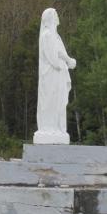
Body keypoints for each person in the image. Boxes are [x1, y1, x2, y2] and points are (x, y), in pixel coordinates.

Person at [33, 8, 76, 144]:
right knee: (50, 100)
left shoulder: (56, 36)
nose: (58, 17)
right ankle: (48, 128)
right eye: (55, 15)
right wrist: (67, 61)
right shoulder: (47, 35)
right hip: (51, 75)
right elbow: (53, 57)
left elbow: (60, 53)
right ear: (50, 18)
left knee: (58, 102)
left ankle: (58, 128)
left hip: (58, 75)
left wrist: (68, 60)